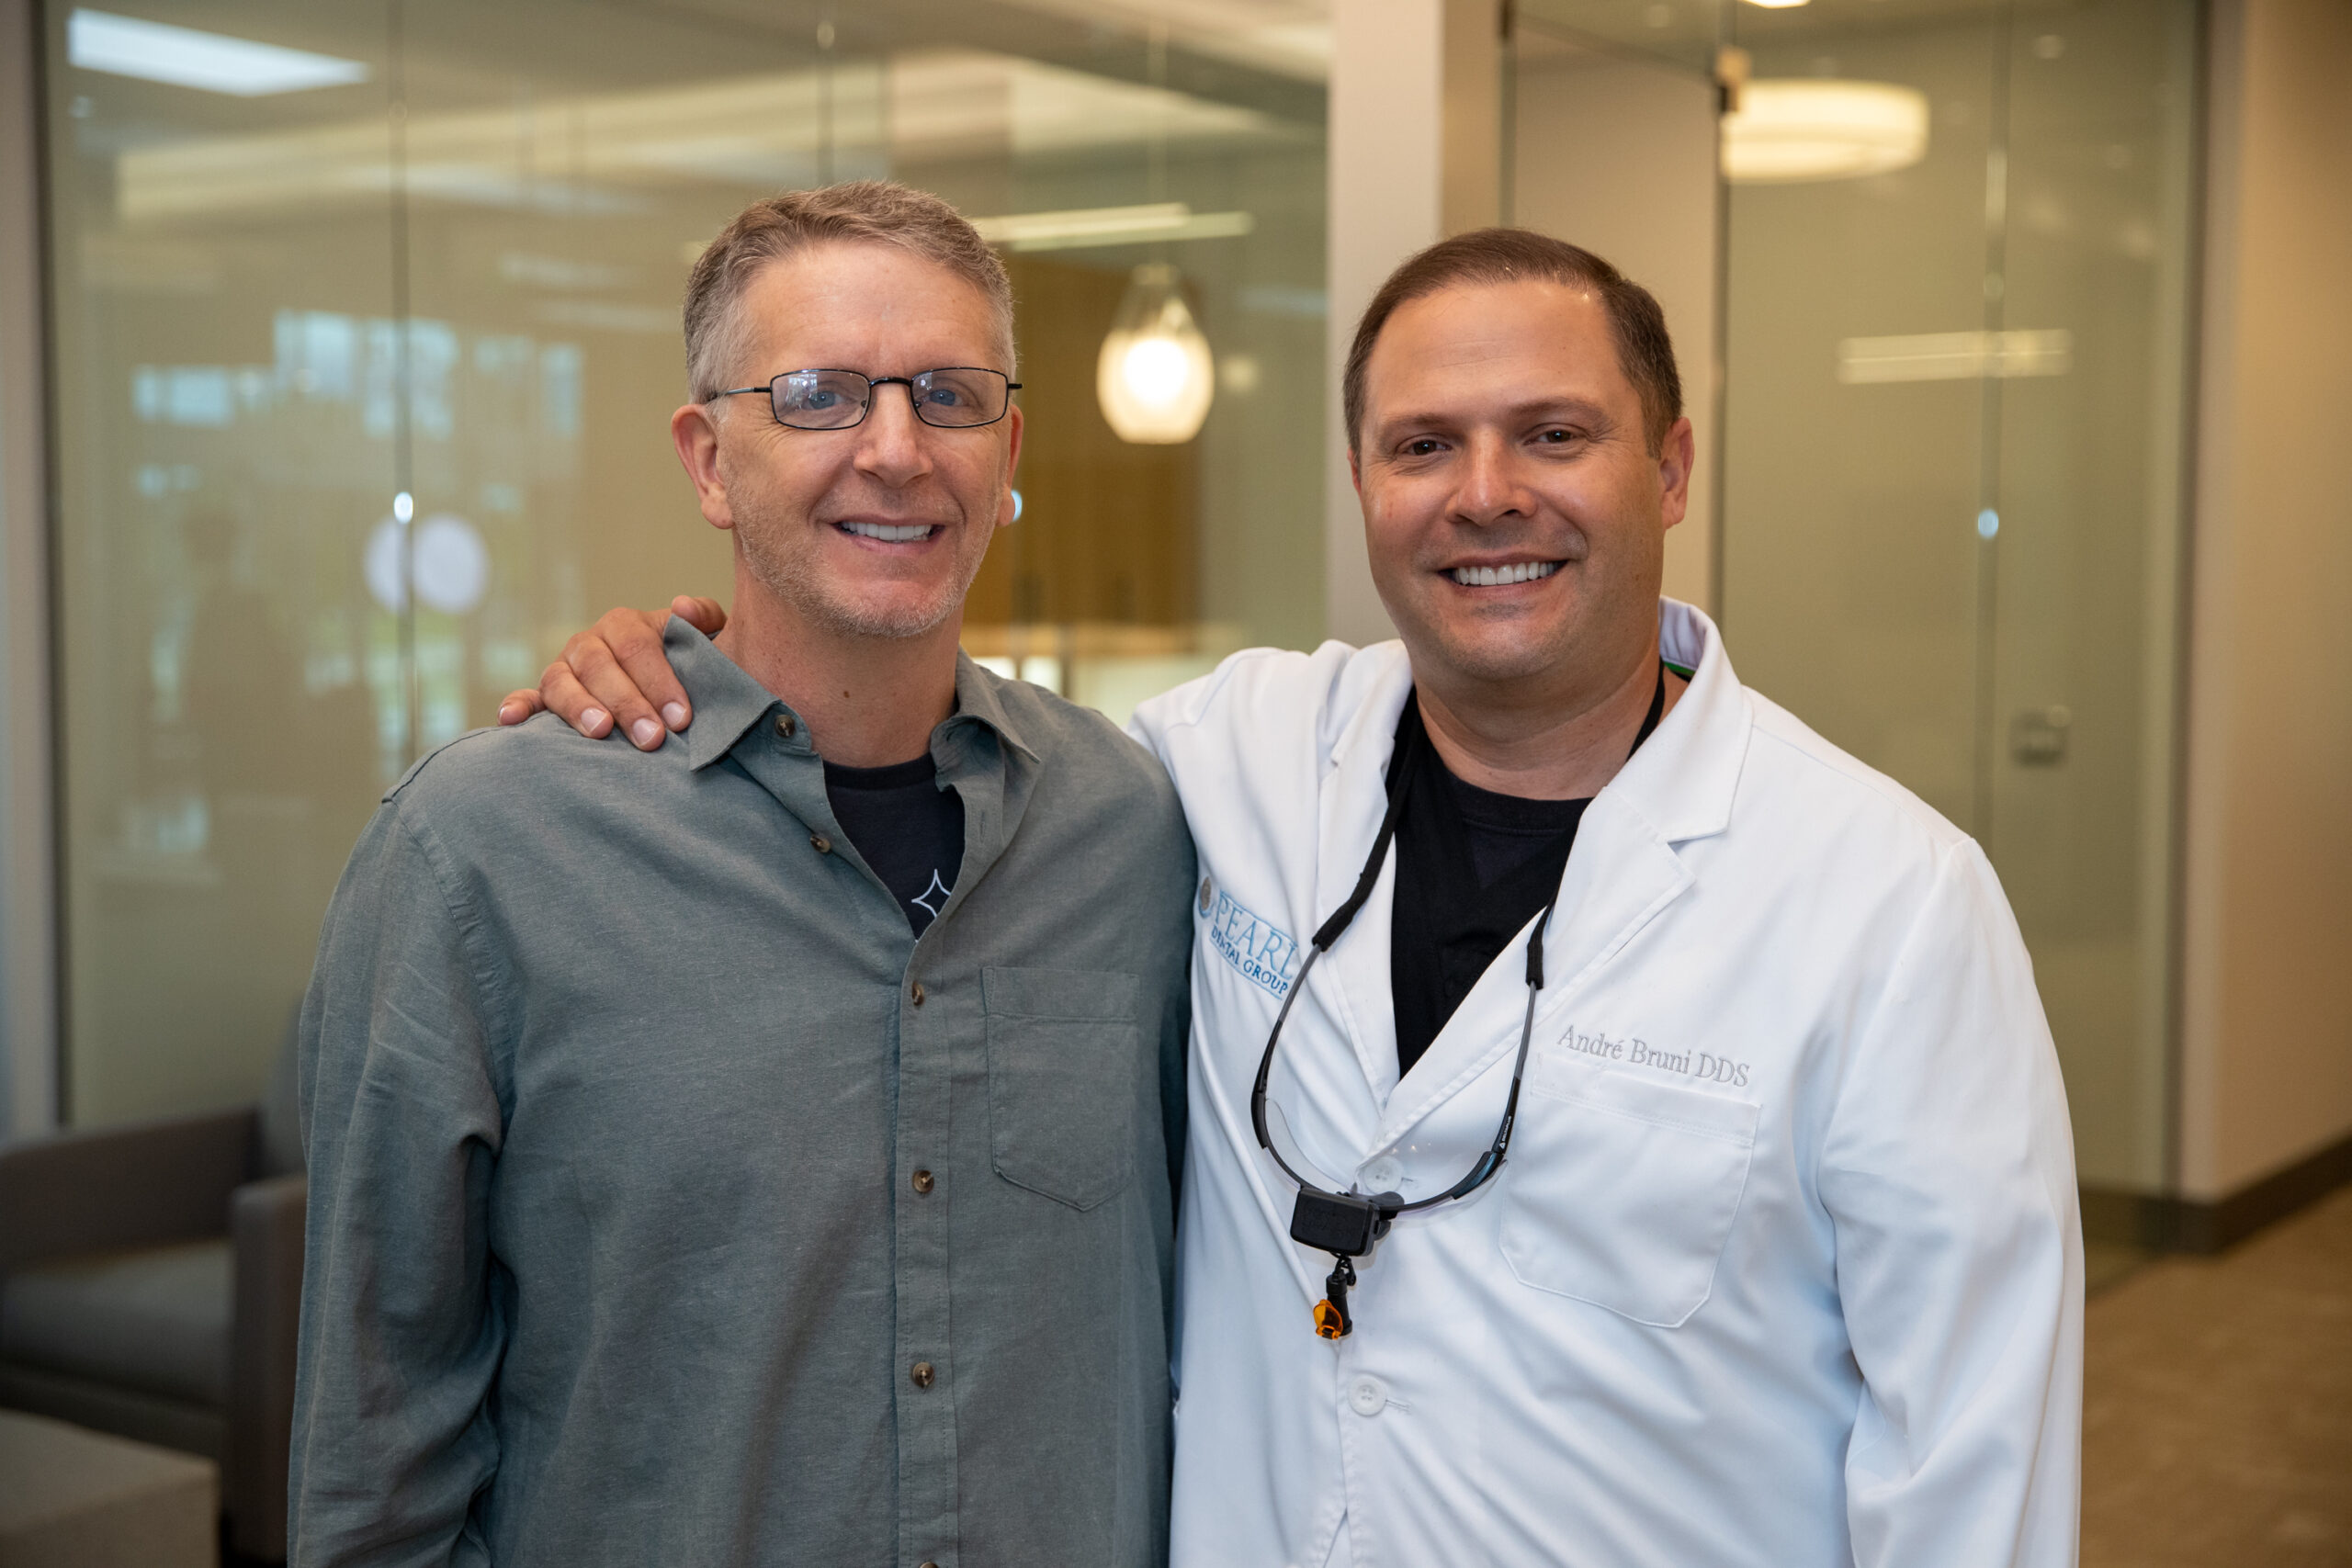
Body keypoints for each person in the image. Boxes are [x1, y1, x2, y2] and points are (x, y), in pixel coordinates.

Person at [511, 227, 2083, 1566]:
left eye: (1554, 434)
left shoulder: (1890, 905)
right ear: (1363, 483)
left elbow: (1971, 1470)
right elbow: (904, 721)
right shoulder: (1222, 766)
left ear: (1668, 468)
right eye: (1423, 446)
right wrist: (682, 672)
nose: (1485, 496)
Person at [294, 182, 1194, 1568]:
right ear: (709, 459)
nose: (895, 450)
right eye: (822, 396)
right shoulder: (481, 854)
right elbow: (378, 1456)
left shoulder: (1133, 830)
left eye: (946, 396)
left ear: (1006, 449)